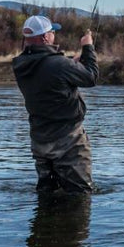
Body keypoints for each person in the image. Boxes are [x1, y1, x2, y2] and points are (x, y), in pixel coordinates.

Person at [12, 15, 99, 193]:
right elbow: (91, 77)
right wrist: (88, 47)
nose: (54, 35)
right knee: (80, 195)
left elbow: (47, 70)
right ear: (45, 37)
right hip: (68, 141)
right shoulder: (59, 65)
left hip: (40, 141)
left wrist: (71, 64)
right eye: (52, 32)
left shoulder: (20, 65)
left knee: (48, 193)